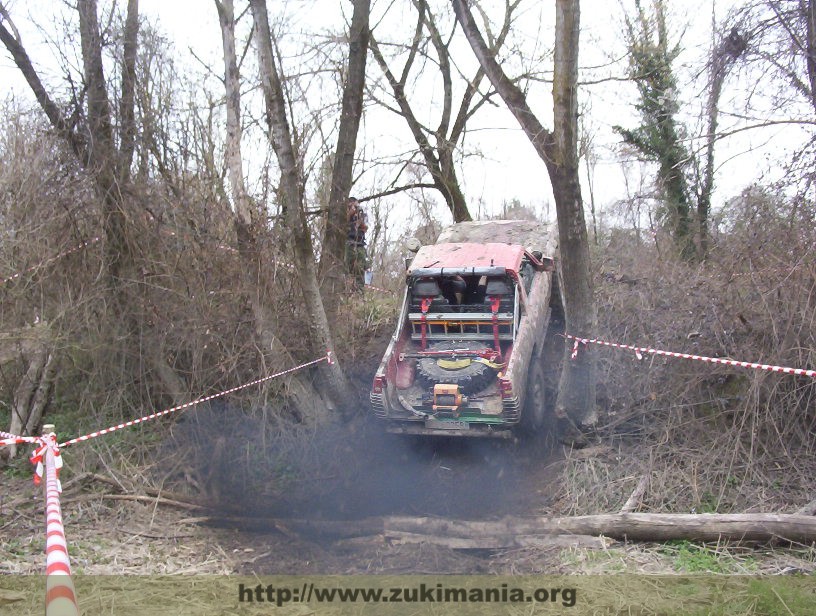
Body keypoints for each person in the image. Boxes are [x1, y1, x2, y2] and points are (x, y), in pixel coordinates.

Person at [345, 196, 368, 290]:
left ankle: (359, 292)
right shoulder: (345, 214)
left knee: (360, 270)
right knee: (347, 270)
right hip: (348, 244)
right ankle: (346, 291)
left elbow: (365, 227)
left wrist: (359, 217)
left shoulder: (362, 214)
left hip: (360, 244)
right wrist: (350, 213)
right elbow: (343, 224)